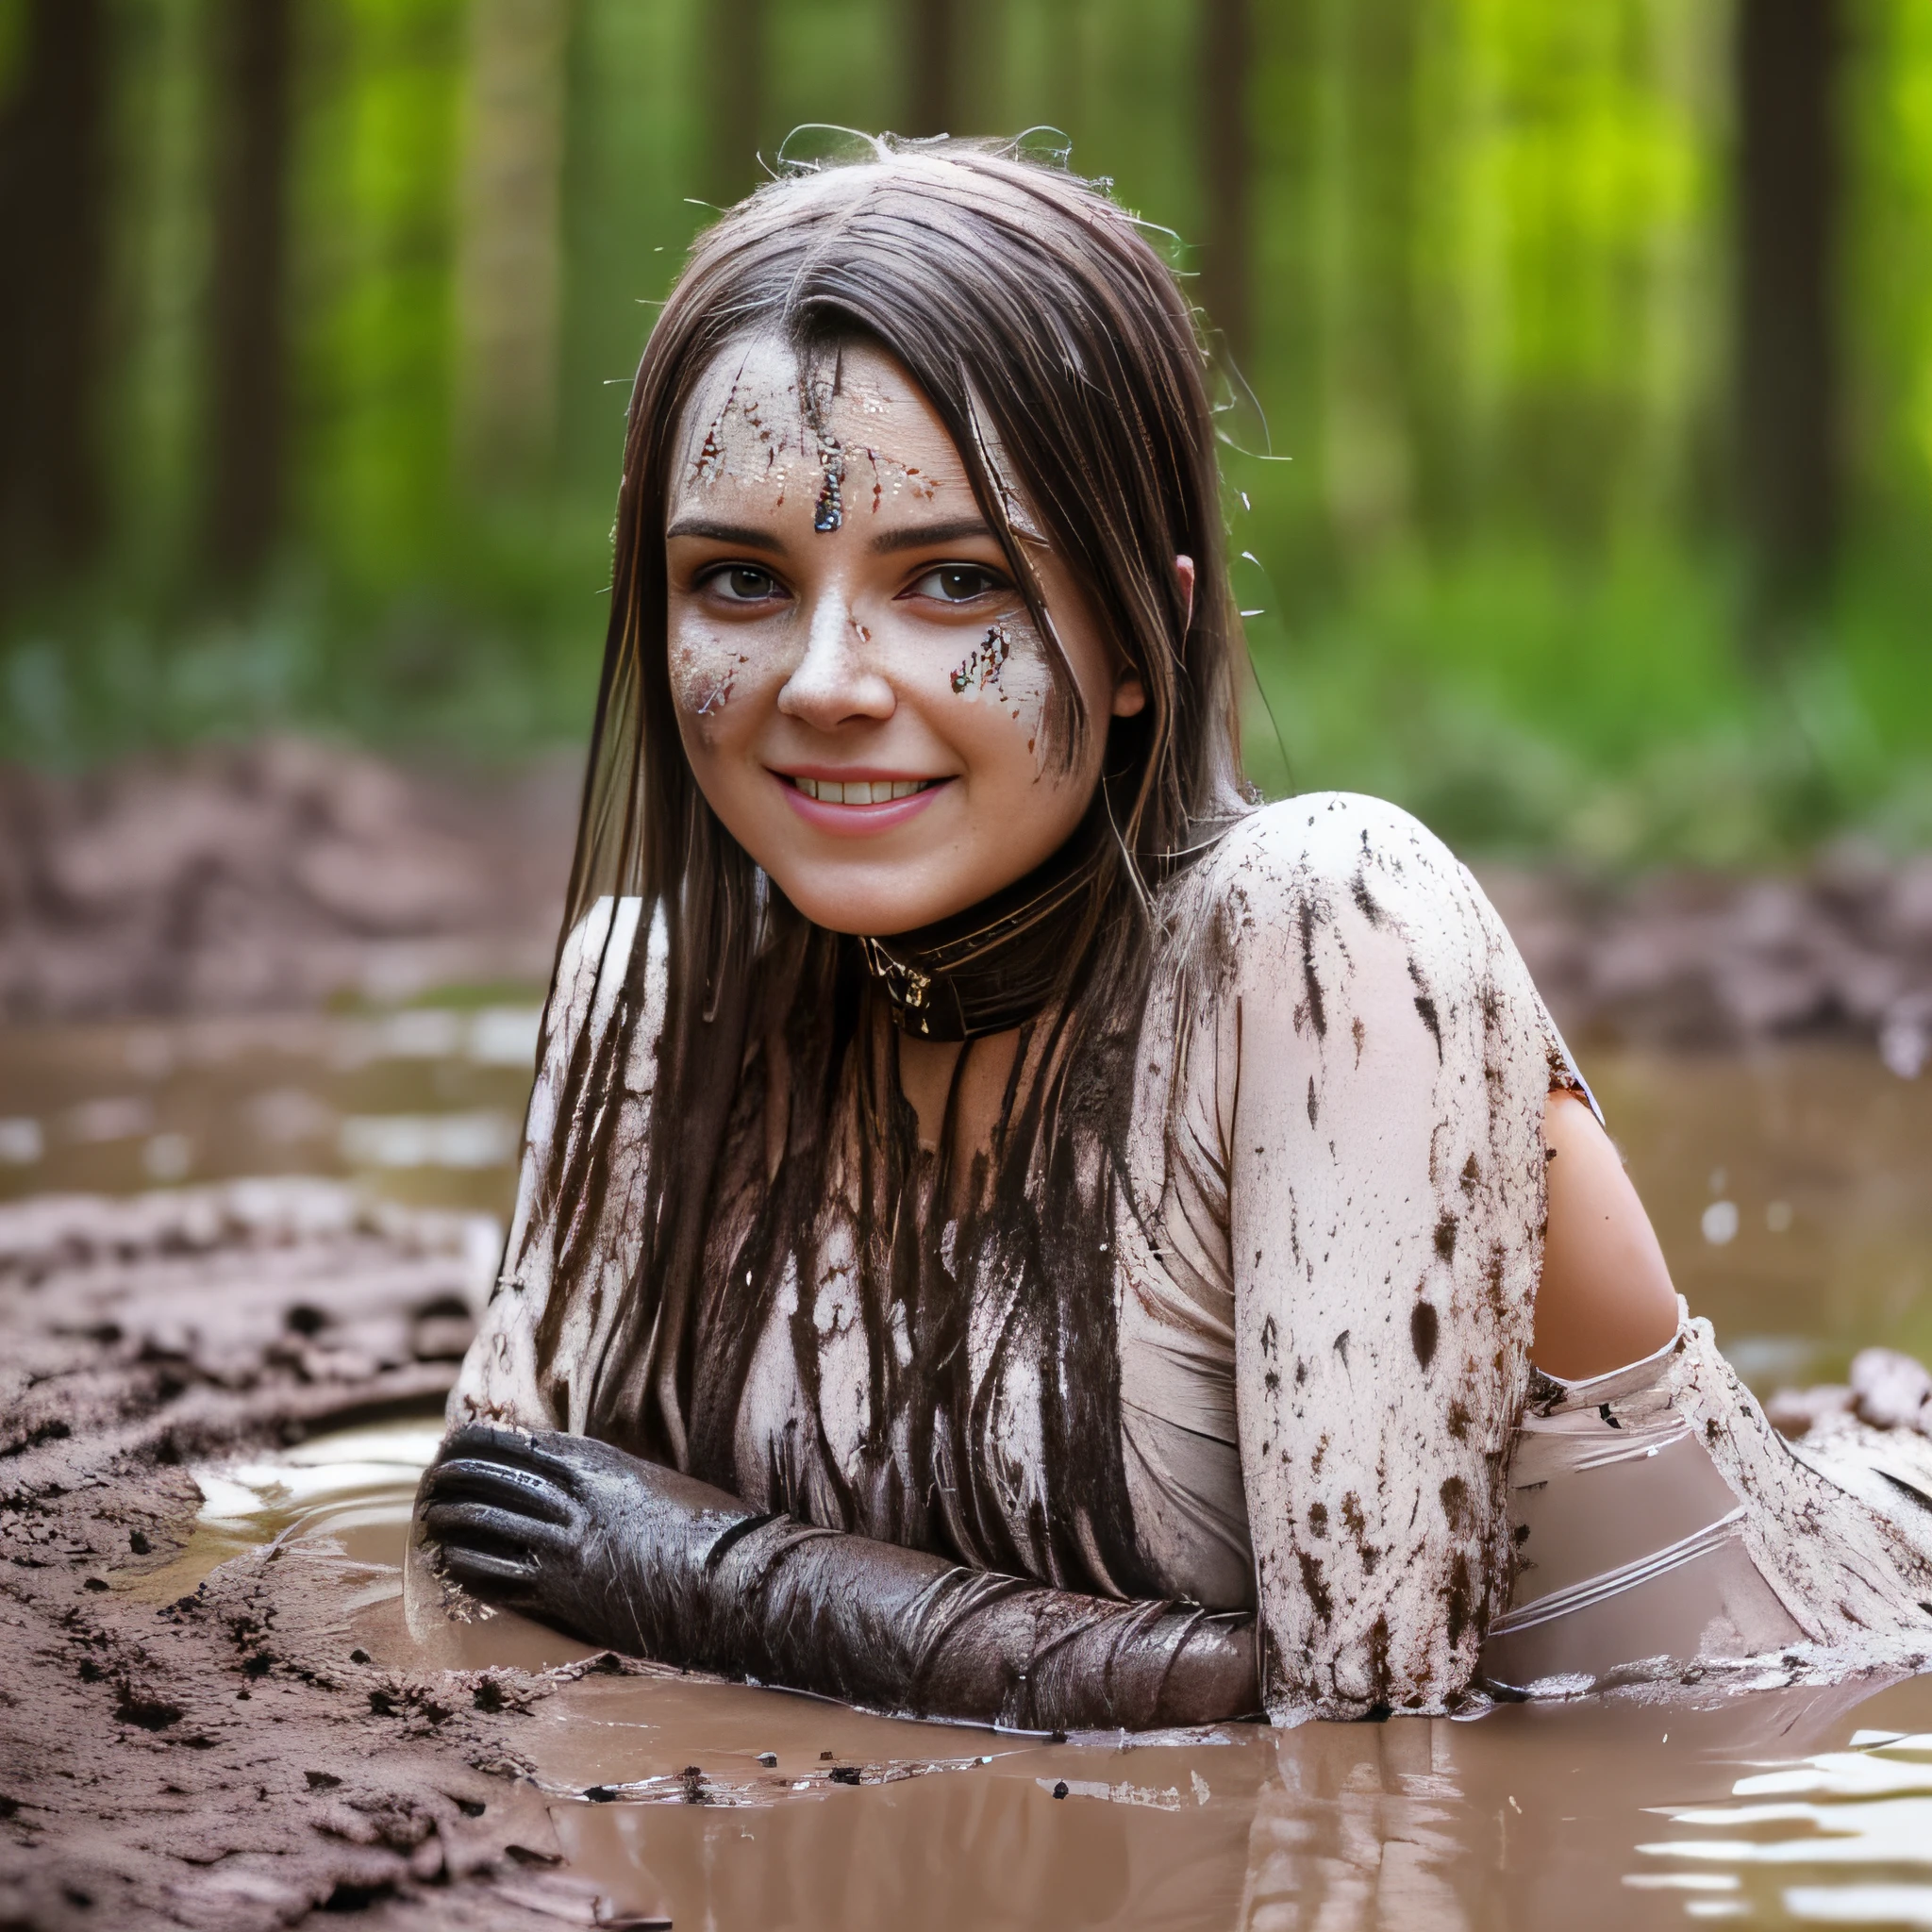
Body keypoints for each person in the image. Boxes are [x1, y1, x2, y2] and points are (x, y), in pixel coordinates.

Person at [414, 137, 1932, 1730]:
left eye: (949, 581)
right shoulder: (649, 1000)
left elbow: (1360, 1736)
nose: (825, 682)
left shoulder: (1331, 938)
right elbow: (481, 1558)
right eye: (738, 580)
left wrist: (722, 1578)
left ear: (1152, 631)